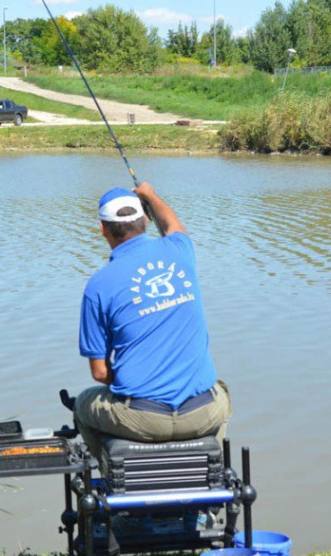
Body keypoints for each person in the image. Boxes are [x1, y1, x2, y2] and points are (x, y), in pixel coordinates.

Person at [74, 182, 231, 461]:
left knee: (84, 404)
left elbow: (99, 373)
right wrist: (149, 194)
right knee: (222, 394)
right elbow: (171, 223)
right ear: (144, 218)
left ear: (102, 228)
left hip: (142, 418)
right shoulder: (180, 250)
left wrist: (137, 389)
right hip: (201, 414)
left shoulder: (98, 286)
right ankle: (210, 474)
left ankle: (112, 479)